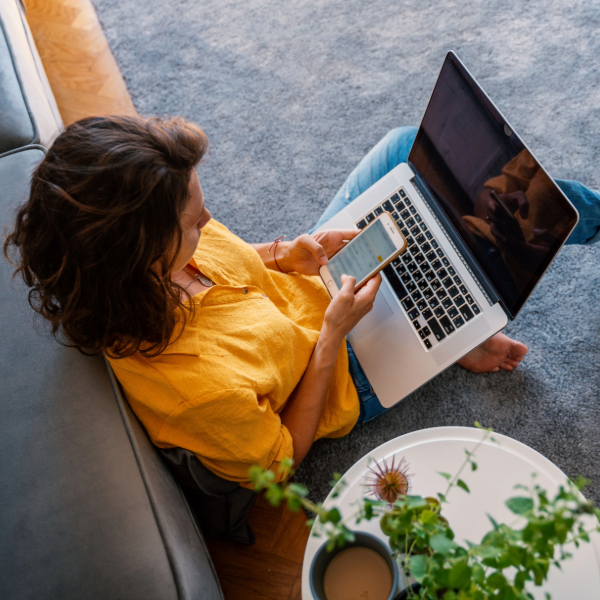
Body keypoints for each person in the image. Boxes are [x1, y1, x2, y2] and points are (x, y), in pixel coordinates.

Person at [5, 117, 599, 487]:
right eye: (193, 222)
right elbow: (284, 458)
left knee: (404, 150)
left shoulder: (149, 247)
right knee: (459, 256)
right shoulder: (197, 391)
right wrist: (333, 338)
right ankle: (441, 329)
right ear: (140, 255)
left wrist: (290, 252)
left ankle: (443, 318)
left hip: (312, 284)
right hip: (343, 373)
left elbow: (237, 258)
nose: (210, 220)